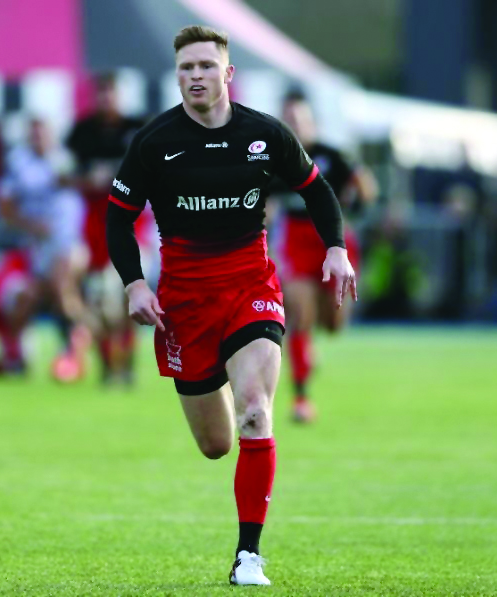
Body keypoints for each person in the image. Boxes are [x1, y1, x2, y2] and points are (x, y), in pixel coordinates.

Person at [105, 26, 356, 585]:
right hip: (184, 306)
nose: (195, 75)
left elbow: (316, 188)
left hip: (251, 289)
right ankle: (214, 374)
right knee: (217, 445)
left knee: (254, 410)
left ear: (227, 73)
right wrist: (133, 284)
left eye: (205, 66)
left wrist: (336, 248)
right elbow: (116, 218)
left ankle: (249, 557)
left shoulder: (265, 134)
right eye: (186, 68)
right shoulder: (154, 141)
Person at [275, 90, 376, 422]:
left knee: (332, 324)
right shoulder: (273, 159)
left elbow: (365, 186)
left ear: (312, 123)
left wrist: (357, 208)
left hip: (332, 243)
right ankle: (302, 398)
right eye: (288, 120)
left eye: (299, 119)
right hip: (296, 242)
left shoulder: (332, 156)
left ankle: (311, 348)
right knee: (298, 312)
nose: (294, 125)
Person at [0, 117, 90, 381]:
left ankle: (76, 346)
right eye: (34, 133)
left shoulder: (65, 159)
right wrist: (32, 225)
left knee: (62, 285)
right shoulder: (17, 164)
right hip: (36, 247)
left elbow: (82, 186)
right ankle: (19, 354)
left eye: (43, 133)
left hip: (69, 242)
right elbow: (4, 207)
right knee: (25, 299)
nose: (38, 138)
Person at [67, 74, 147, 384]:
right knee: (99, 302)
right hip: (95, 230)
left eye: (111, 93)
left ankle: (125, 365)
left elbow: (152, 169)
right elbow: (65, 175)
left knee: (126, 298)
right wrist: (87, 181)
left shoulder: (136, 129)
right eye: (101, 94)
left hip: (132, 227)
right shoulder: (82, 132)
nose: (106, 100)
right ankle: (106, 364)